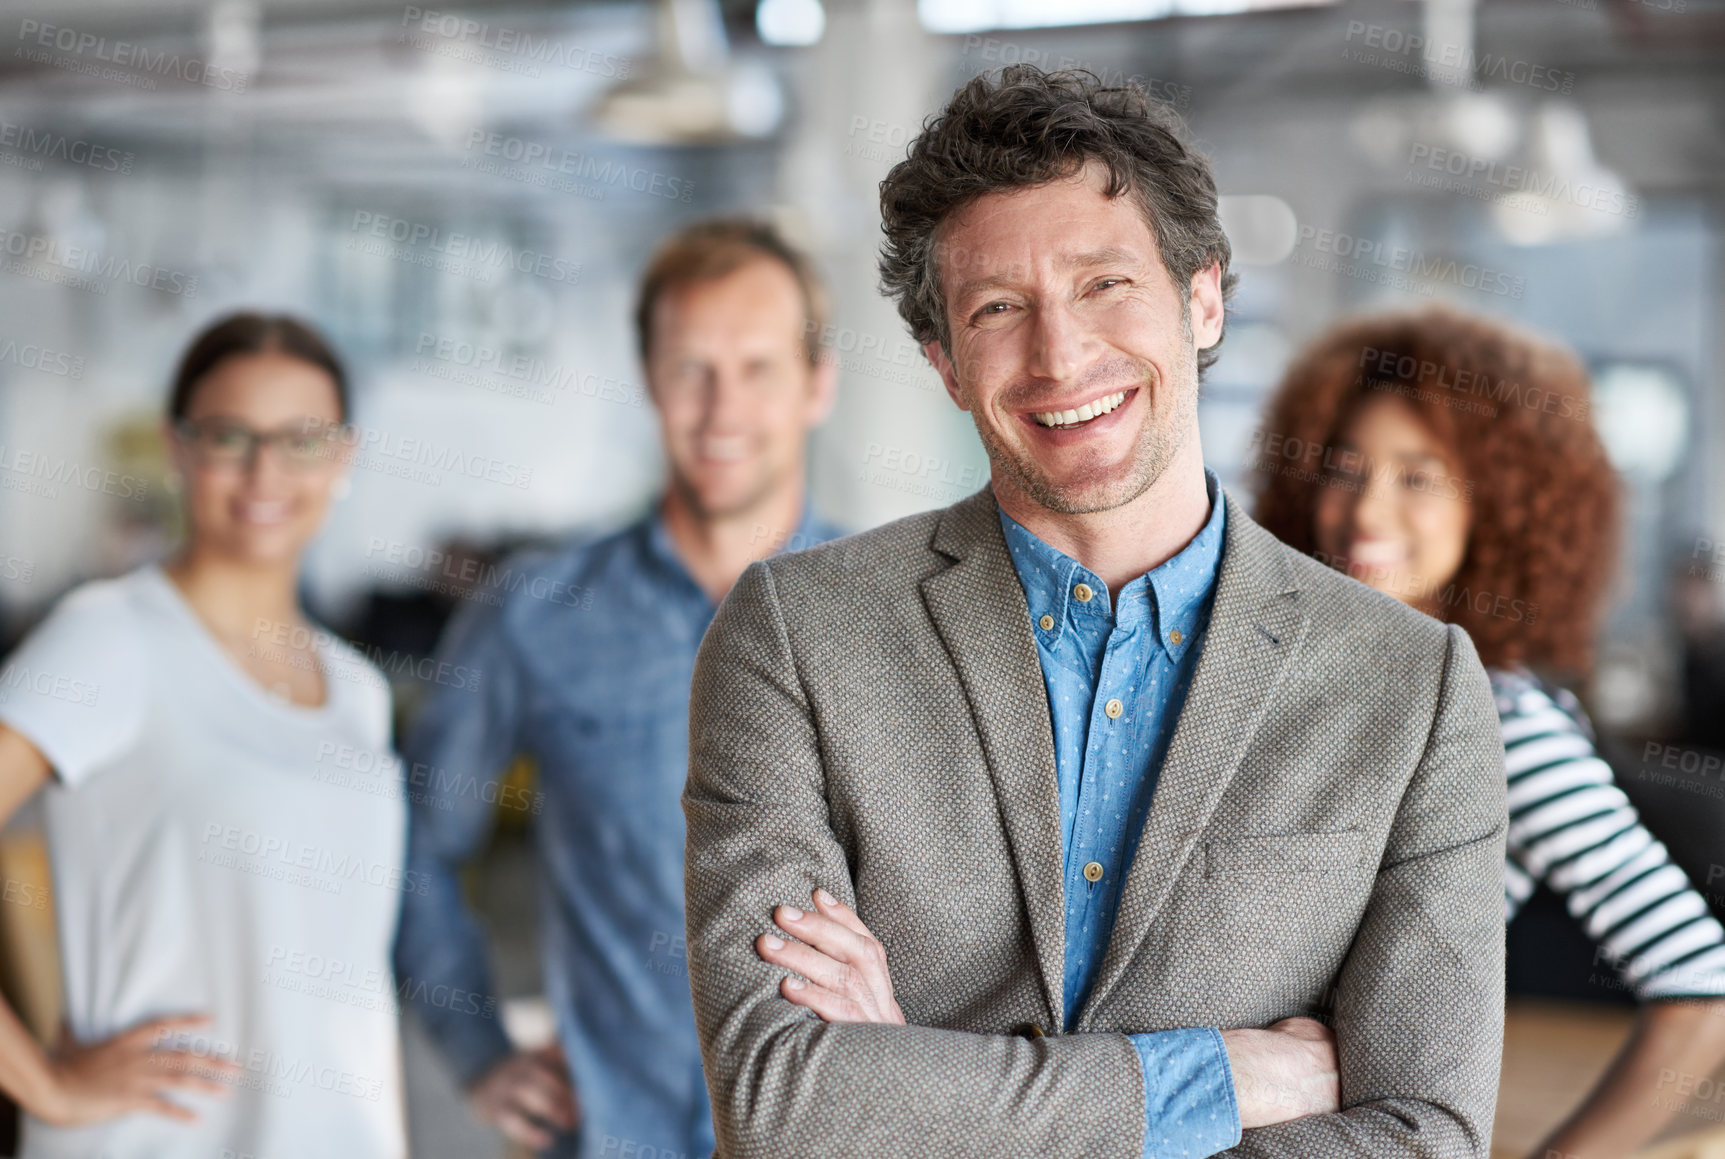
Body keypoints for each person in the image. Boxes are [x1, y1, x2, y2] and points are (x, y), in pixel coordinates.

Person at [683, 66, 1506, 1159]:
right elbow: (782, 1104)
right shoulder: (796, 635)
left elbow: (1424, 1136)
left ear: (1203, 296)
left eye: (1104, 284)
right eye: (997, 309)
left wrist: (919, 1097)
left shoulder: (1412, 687)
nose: (1061, 355)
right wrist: (1220, 1076)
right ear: (944, 361)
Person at [394, 218, 841, 1158]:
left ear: (817, 383)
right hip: (607, 1133)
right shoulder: (535, 614)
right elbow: (417, 845)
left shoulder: (889, 615)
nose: (722, 409)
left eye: (757, 366)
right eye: (691, 367)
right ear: (647, 378)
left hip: (833, 1132)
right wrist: (477, 1048)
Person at [1251, 305, 1725, 1159]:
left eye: (1418, 476)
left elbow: (1701, 983)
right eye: (1344, 468)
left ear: (1497, 509)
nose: (1365, 511)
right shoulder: (1312, 679)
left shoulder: (1502, 718)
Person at [0, 313, 407, 1157]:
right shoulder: (110, 638)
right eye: (230, 436)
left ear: (343, 457)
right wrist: (45, 1082)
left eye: (301, 438)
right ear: (177, 448)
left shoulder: (358, 692)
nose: (265, 470)